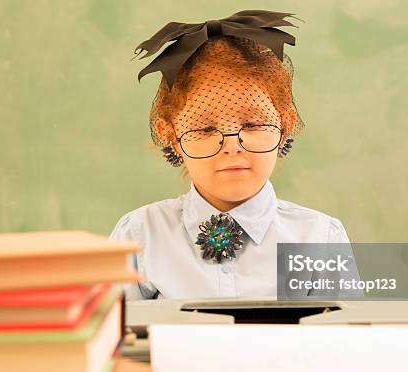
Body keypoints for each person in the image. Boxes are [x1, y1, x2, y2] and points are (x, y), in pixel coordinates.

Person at [110, 10, 360, 300]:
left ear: (285, 125)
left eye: (253, 124)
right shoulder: (140, 235)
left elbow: (343, 340)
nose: (231, 145)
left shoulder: (319, 238)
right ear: (171, 137)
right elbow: (112, 337)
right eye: (204, 128)